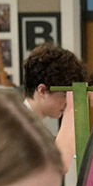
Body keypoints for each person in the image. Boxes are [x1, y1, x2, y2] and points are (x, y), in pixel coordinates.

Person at [22, 42, 88, 172]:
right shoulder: (18, 126)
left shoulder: (35, 127)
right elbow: (57, 167)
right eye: (65, 95)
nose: (68, 101)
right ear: (42, 91)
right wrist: (72, 110)